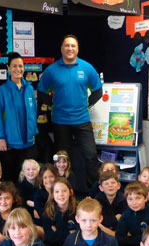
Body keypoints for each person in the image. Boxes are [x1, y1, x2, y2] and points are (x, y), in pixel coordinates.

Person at [37, 34, 103, 188]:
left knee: (91, 155)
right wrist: (54, 104)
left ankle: (95, 190)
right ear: (61, 48)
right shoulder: (52, 70)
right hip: (60, 121)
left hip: (82, 119)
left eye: (73, 45)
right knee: (61, 159)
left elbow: (98, 91)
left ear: (77, 49)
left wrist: (87, 106)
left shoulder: (87, 67)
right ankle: (63, 191)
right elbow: (41, 93)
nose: (70, 48)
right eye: (67, 45)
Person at [0, 52, 38, 182]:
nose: (18, 69)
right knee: (10, 178)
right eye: (14, 66)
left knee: (27, 178)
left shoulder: (29, 88)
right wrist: (0, 138)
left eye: (20, 66)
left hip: (28, 142)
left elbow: (33, 112)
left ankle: (24, 202)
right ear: (8, 68)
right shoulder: (2, 90)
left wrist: (33, 132)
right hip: (9, 143)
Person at [41, 177, 77, 246]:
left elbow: (78, 235)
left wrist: (57, 231)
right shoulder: (48, 212)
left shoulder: (78, 210)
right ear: (52, 194)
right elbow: (50, 237)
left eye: (64, 190)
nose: (61, 194)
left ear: (70, 192)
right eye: (57, 191)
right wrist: (69, 232)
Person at [94, 170, 126, 237]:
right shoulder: (97, 201)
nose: (110, 185)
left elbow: (124, 220)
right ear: (101, 188)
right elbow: (99, 220)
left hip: (119, 233)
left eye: (113, 183)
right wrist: (115, 218)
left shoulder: (124, 200)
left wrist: (108, 220)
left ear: (118, 185)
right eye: (106, 183)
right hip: (101, 234)